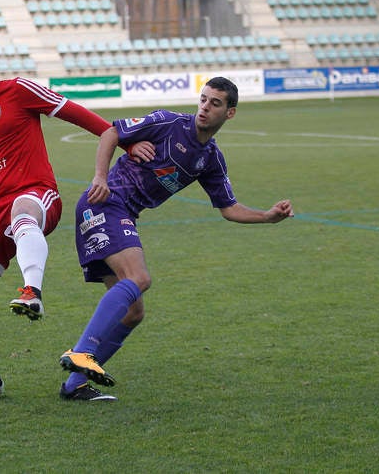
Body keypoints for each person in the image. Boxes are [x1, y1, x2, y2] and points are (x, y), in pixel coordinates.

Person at [58, 77, 294, 401]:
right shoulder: (168, 122)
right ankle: (82, 352)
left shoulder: (209, 158)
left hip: (121, 213)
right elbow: (112, 131)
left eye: (215, 103)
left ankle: (74, 385)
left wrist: (267, 216)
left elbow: (228, 208)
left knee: (133, 313)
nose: (205, 107)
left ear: (230, 113)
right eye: (203, 99)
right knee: (139, 278)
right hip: (106, 203)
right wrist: (100, 176)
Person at [0, 37, 126, 403]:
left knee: (22, 213)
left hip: (36, 194)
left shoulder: (19, 90)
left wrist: (124, 141)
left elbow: (84, 118)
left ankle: (32, 290)